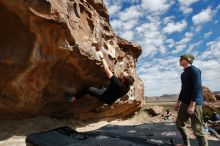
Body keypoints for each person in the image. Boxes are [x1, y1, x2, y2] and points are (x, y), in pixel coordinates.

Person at [65, 43, 134, 105]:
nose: (124, 74)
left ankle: (73, 99)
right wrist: (125, 76)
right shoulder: (127, 88)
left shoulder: (117, 83)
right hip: (111, 100)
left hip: (105, 97)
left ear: (124, 81)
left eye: (125, 76)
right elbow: (125, 81)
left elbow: (107, 71)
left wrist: (102, 57)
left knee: (89, 89)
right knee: (102, 87)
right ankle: (97, 95)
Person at [174, 54, 208, 146]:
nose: (179, 60)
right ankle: (187, 144)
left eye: (181, 58)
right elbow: (183, 89)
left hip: (195, 103)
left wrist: (192, 105)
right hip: (184, 102)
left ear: (187, 60)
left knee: (197, 129)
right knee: (179, 124)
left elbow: (197, 88)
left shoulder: (194, 70)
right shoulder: (183, 74)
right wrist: (178, 102)